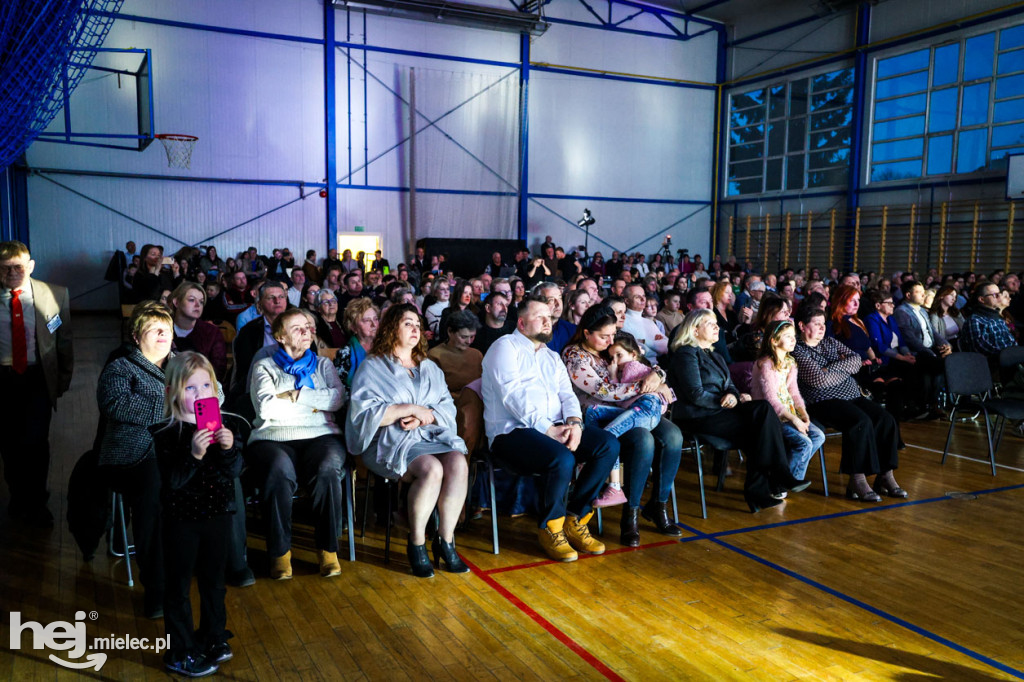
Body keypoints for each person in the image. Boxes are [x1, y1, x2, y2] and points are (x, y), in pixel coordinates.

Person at [482, 297, 620, 562]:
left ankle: (576, 519)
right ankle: (551, 527)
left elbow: (567, 395)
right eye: (540, 317)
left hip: (555, 428)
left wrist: (575, 424)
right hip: (510, 433)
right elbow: (513, 397)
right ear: (522, 323)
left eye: (550, 317)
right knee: (562, 457)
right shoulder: (504, 348)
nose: (549, 321)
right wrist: (549, 430)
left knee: (608, 445)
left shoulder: (551, 356)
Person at [347, 304, 470, 578]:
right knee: (431, 469)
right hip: (389, 439)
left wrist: (425, 417)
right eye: (407, 324)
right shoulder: (374, 366)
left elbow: (447, 407)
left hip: (429, 434)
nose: (415, 329)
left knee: (458, 462)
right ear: (392, 328)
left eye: (417, 324)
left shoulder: (429, 367)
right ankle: (416, 543)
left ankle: (445, 540)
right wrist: (410, 410)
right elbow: (365, 414)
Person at [150, 352, 242, 677]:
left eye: (206, 385)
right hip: (182, 520)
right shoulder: (165, 433)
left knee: (214, 581)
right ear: (173, 392)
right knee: (178, 587)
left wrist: (229, 449)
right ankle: (180, 651)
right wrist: (195, 454)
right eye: (191, 388)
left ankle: (214, 636)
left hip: (218, 514)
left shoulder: (222, 427)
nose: (201, 394)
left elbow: (233, 472)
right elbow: (172, 482)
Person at [666, 309, 810, 513]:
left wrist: (733, 395)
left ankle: (765, 488)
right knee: (762, 417)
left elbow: (730, 386)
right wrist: (724, 401)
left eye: (716, 323)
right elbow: (695, 394)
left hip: (721, 412)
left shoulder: (715, 355)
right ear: (695, 330)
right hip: (698, 416)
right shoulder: (686, 353)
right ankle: (776, 478)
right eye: (710, 323)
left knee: (763, 418)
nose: (717, 327)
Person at [561, 308, 682, 545]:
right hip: (596, 416)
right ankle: (630, 515)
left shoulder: (608, 352)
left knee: (673, 435)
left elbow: (641, 361)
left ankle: (658, 504)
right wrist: (647, 386)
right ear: (586, 333)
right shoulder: (574, 355)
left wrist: (657, 375)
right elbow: (602, 391)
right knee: (643, 440)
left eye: (612, 335)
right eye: (605, 336)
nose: (610, 341)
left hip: (628, 409)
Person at [246, 308, 348, 580]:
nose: (306, 331)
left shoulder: (324, 365)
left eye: (307, 326)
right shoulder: (264, 366)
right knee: (279, 472)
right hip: (273, 436)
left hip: (322, 434)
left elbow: (338, 399)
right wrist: (316, 401)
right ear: (280, 336)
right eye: (297, 328)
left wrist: (296, 395)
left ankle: (328, 549)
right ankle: (280, 553)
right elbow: (267, 409)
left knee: (328, 469)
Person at [97, 301, 173, 617]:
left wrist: (205, 420)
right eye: (155, 330)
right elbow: (116, 405)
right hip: (133, 455)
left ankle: (230, 563)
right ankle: (156, 587)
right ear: (136, 335)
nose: (163, 335)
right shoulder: (120, 367)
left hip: (180, 450)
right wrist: (174, 410)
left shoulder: (183, 363)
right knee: (153, 491)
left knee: (224, 473)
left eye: (167, 330)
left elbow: (215, 394)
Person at [791, 305, 905, 501]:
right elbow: (818, 381)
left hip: (852, 395)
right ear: (802, 325)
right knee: (859, 422)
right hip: (822, 400)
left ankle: (886, 475)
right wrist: (840, 370)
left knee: (885, 419)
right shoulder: (797, 351)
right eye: (816, 324)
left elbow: (856, 360)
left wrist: (830, 369)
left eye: (822, 324)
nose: (821, 328)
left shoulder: (830, 342)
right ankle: (857, 479)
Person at [0, 240, 72, 527]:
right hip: (2, 379)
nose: (13, 273)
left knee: (35, 442)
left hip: (37, 379)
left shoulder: (55, 295)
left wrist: (62, 379)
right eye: (5, 268)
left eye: (19, 267)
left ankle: (37, 501)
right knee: (8, 443)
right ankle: (18, 498)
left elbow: (64, 342)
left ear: (31, 266)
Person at [750, 320, 825, 482]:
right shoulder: (766, 365)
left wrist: (803, 415)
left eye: (794, 336)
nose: (793, 340)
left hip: (789, 413)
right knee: (804, 443)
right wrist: (795, 421)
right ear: (774, 340)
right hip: (771, 417)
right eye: (788, 336)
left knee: (818, 436)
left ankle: (783, 472)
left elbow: (794, 393)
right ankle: (784, 483)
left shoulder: (790, 362)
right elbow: (771, 400)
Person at [428, 310, 484, 455]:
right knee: (468, 411)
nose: (469, 341)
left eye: (472, 337)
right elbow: (434, 392)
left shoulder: (476, 354)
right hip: (452, 406)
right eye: (464, 337)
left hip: (479, 402)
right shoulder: (435, 355)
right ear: (450, 332)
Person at [169, 282, 228, 382]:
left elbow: (218, 371)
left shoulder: (212, 333)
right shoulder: (163, 329)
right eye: (192, 300)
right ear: (176, 302)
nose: (197, 305)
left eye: (201, 302)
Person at [333, 297, 380, 388]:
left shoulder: (386, 347)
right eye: (367, 321)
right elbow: (340, 388)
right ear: (353, 327)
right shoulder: (346, 353)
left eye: (376, 319)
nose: (374, 325)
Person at [621, 284, 667, 363]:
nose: (643, 299)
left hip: (656, 365)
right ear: (627, 301)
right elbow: (638, 349)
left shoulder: (649, 322)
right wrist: (654, 343)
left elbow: (666, 347)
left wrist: (645, 341)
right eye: (637, 297)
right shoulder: (623, 321)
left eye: (644, 295)